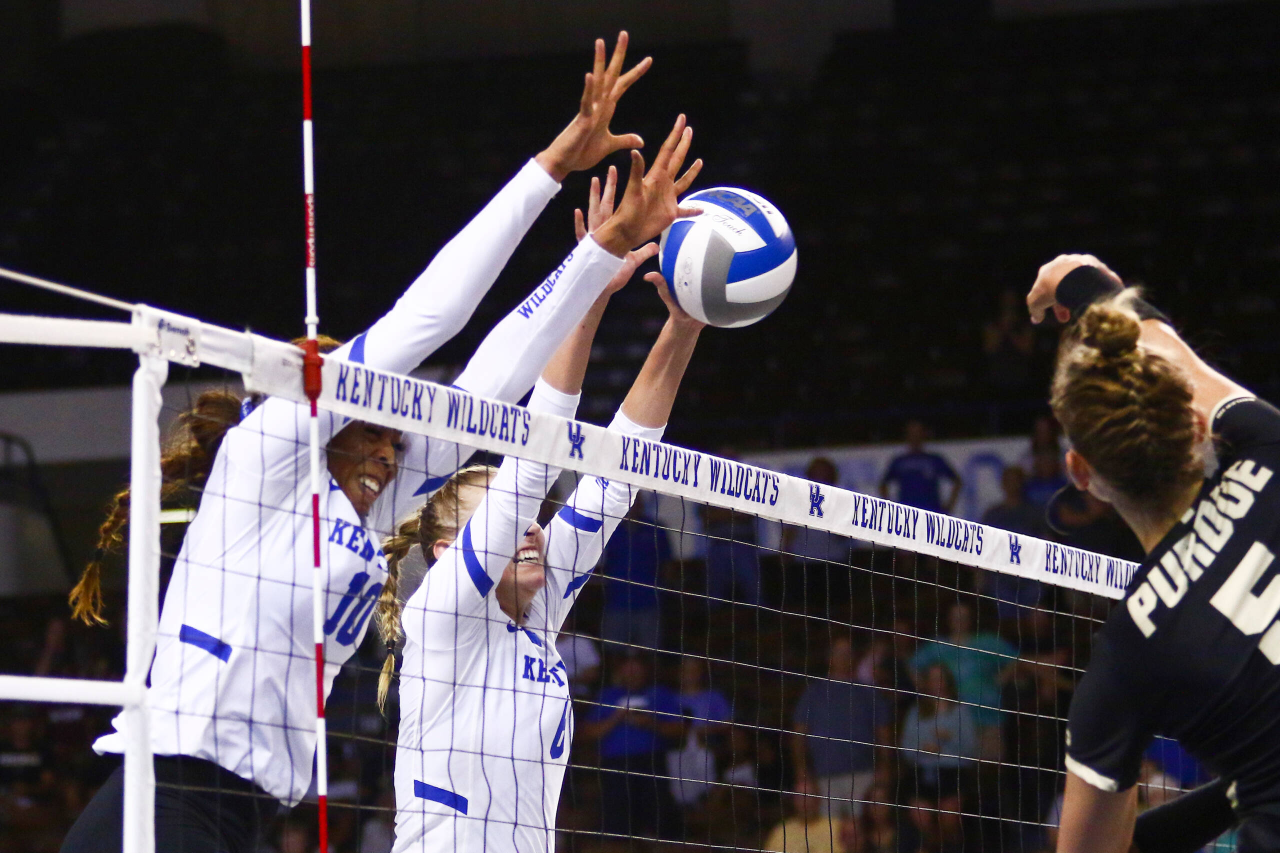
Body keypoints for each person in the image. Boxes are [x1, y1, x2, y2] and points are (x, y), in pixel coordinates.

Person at [58, 32, 660, 853]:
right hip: (164, 795)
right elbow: (427, 320)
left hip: (243, 816)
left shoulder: (372, 520)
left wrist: (596, 257)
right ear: (328, 420)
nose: (387, 457)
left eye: (392, 445)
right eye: (369, 437)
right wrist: (549, 169)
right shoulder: (262, 462)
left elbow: (490, 389)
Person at [386, 147, 706, 851]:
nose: (529, 529)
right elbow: (531, 464)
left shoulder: (540, 607)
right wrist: (589, 284)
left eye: (526, 522)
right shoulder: (438, 612)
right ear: (447, 552)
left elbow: (619, 472)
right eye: (500, 519)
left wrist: (685, 324)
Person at [1023, 254, 1280, 853]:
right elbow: (1161, 341)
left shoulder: (1129, 649)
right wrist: (1082, 285)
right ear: (1195, 424)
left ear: (1081, 473)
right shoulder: (1268, 449)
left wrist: (1248, 785)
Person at [791, 636, 894, 821]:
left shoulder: (868, 692)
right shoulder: (813, 693)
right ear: (829, 657)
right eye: (839, 653)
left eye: (847, 653)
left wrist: (884, 768)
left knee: (860, 832)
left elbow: (884, 735)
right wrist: (802, 771)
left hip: (863, 776)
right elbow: (798, 735)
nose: (843, 657)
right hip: (824, 779)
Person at [909, 601, 1013, 760]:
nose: (959, 621)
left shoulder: (987, 642)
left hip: (988, 715)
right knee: (958, 764)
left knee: (990, 767)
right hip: (953, 718)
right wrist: (926, 690)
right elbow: (913, 665)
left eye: (964, 617)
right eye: (955, 617)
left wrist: (1000, 679)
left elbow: (1016, 660)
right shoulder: (939, 645)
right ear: (948, 619)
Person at [897, 664, 979, 801]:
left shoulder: (961, 711)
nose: (936, 683)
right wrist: (922, 749)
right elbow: (905, 747)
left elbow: (970, 749)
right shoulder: (916, 712)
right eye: (932, 679)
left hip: (953, 772)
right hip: (922, 771)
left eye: (940, 678)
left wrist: (950, 738)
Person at [879, 421, 962, 514]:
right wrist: (892, 508)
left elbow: (957, 481)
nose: (915, 437)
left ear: (923, 435)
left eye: (918, 433)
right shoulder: (899, 461)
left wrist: (949, 506)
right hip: (907, 514)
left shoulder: (934, 460)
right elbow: (883, 485)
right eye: (912, 434)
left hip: (931, 512)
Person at [763, 778, 838, 853]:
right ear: (793, 801)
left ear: (818, 799)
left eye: (809, 796)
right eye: (800, 797)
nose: (805, 802)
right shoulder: (781, 832)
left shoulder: (837, 828)